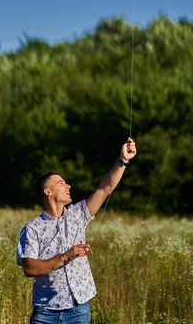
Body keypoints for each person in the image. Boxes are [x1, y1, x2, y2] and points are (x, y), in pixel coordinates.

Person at [16, 137, 137, 324]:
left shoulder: (77, 214)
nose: (68, 186)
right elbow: (29, 268)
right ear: (47, 191)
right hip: (45, 313)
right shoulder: (32, 229)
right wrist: (65, 256)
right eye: (61, 183)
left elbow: (105, 188)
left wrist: (122, 160)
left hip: (78, 309)